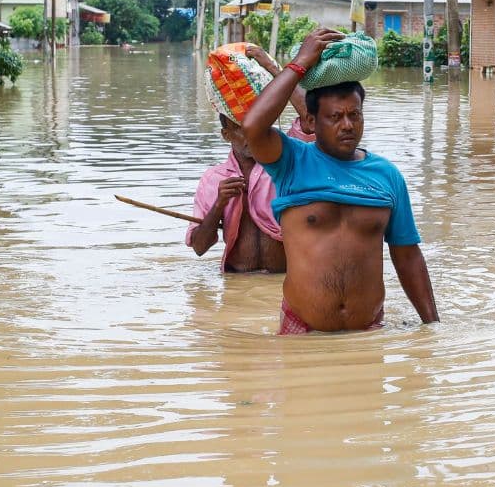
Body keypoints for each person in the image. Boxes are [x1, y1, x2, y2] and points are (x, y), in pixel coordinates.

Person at [242, 28, 439, 333]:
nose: (347, 126)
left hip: (368, 330)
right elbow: (253, 126)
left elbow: (408, 256)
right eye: (335, 117)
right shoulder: (292, 161)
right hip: (303, 332)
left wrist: (433, 329)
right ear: (310, 121)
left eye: (354, 115)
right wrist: (299, 63)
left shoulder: (387, 175)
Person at [186, 45, 311, 273]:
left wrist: (274, 69)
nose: (252, 133)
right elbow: (199, 247)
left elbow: (309, 120)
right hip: (236, 282)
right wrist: (219, 204)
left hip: (284, 281)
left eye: (258, 124)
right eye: (242, 128)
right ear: (226, 134)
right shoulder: (213, 179)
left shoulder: (287, 161)